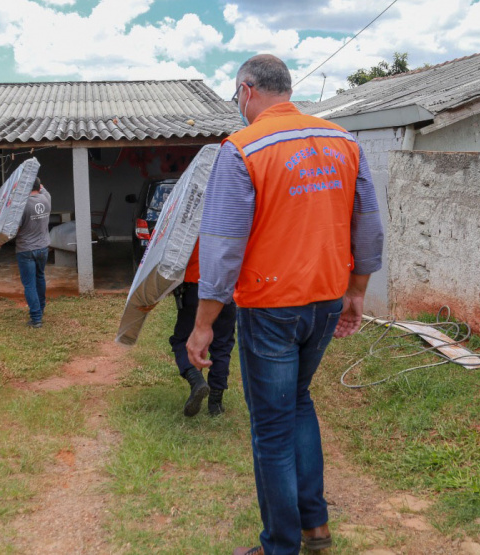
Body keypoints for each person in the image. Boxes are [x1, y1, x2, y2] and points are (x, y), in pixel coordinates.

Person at [186, 54, 384, 555]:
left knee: (271, 428)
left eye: (236, 97)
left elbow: (224, 243)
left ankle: (280, 545)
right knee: (298, 403)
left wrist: (203, 323)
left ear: (247, 91)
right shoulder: (344, 143)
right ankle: (314, 528)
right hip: (324, 301)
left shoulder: (243, 149)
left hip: (271, 306)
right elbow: (369, 226)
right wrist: (356, 292)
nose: (237, 105)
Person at [169, 240, 236, 417]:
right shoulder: (232, 217)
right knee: (222, 344)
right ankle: (215, 403)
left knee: (182, 340)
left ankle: (196, 380)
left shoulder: (190, 217)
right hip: (226, 286)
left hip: (195, 286)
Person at [0, 177, 52, 328]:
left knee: (29, 284)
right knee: (40, 278)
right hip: (43, 248)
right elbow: (41, 186)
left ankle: (36, 319)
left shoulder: (21, 206)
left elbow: (13, 231)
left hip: (26, 250)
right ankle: (41, 309)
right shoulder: (46, 198)